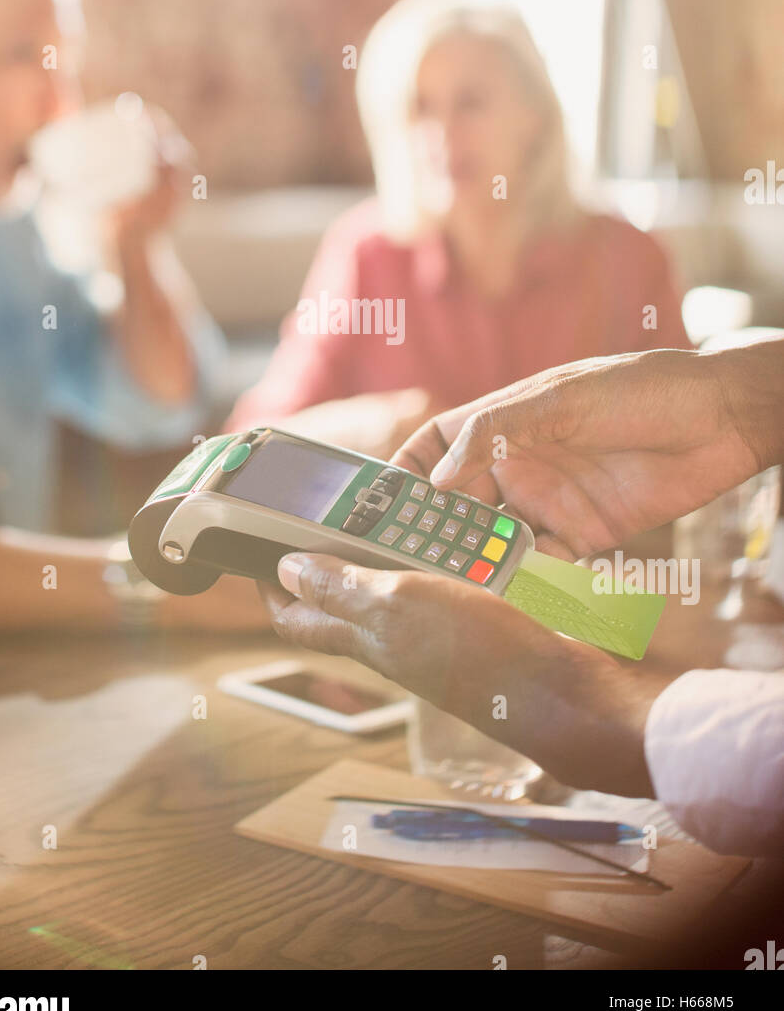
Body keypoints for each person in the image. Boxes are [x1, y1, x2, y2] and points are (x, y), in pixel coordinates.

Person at [261, 341, 784, 856]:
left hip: (610, 602)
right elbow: (271, 418)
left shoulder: (629, 255)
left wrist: (575, 700)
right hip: (573, 573)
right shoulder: (370, 257)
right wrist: (732, 399)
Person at [0, 0, 264, 632]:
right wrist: (150, 588)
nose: (61, 104)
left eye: (62, 61)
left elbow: (152, 403)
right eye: (20, 58)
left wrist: (134, 246)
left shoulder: (6, 237)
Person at [228, 0, 689, 454]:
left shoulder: (631, 259)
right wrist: (377, 426)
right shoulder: (367, 254)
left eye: (471, 103)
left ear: (534, 116)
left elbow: (690, 442)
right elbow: (245, 446)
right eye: (420, 107)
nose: (443, 134)